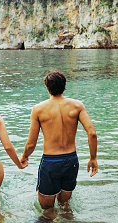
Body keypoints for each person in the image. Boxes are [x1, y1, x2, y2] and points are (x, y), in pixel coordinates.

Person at [20, 70, 98, 210]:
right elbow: (92, 133)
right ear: (64, 86)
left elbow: (31, 144)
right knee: (65, 208)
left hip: (50, 162)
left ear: (47, 87)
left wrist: (24, 156)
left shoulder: (38, 109)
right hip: (71, 161)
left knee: (47, 211)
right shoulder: (77, 106)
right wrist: (93, 158)